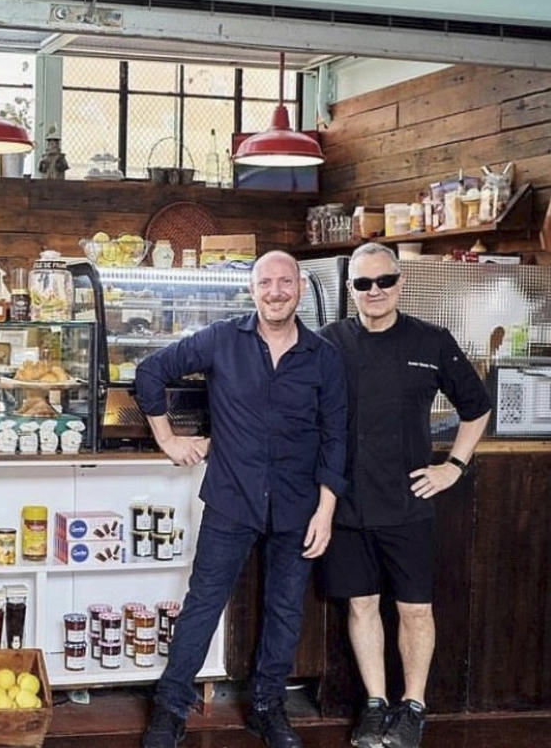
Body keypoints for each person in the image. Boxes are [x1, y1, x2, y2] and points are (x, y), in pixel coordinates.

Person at [136, 251, 348, 748]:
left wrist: (326, 509)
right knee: (204, 603)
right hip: (232, 497)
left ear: (298, 287)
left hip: (298, 505)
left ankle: (268, 706)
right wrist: (168, 440)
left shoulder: (324, 357)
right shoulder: (221, 340)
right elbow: (150, 372)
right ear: (252, 290)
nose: (275, 292)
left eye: (285, 282)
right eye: (265, 283)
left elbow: (336, 436)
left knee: (284, 609)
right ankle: (170, 707)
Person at [319, 243, 491, 748]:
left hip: (408, 500)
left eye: (384, 281)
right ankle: (375, 704)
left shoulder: (432, 341)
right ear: (351, 290)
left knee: (415, 609)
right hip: (346, 502)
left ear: (400, 283)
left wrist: (454, 466)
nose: (375, 292)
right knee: (362, 605)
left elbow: (476, 408)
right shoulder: (329, 342)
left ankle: (413, 706)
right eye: (363, 284)